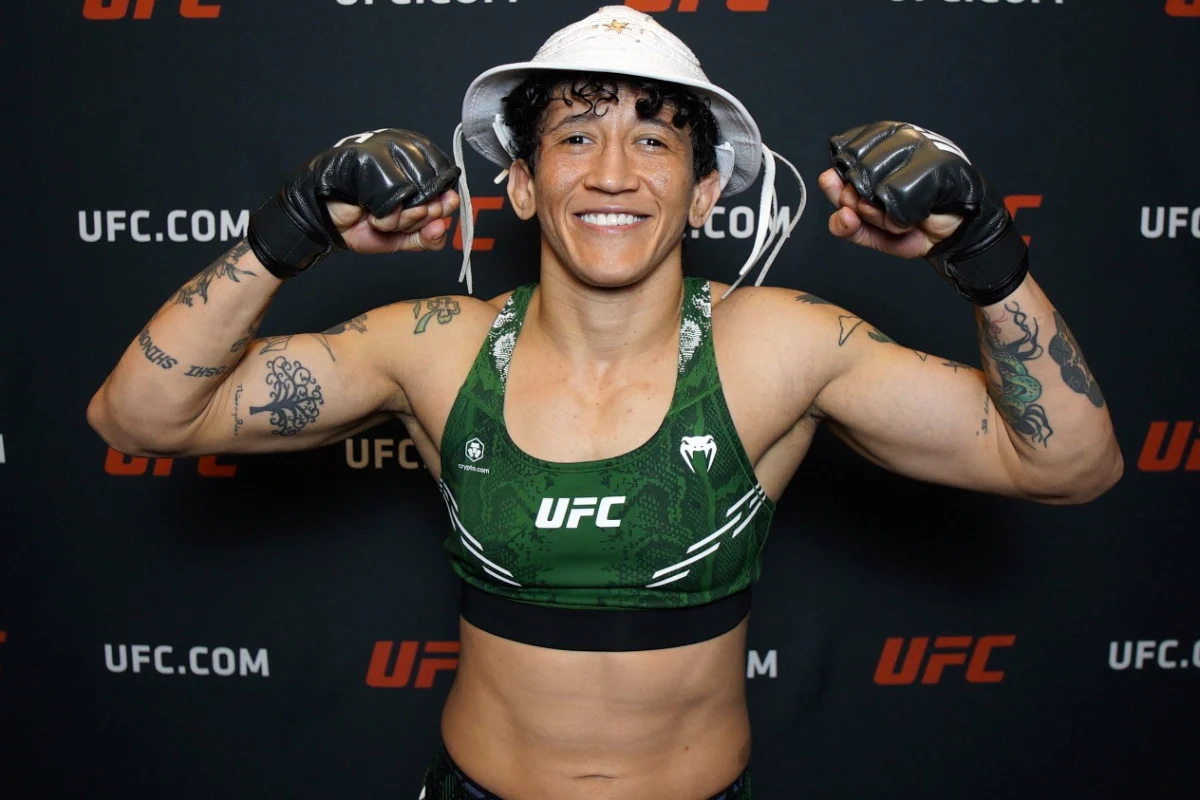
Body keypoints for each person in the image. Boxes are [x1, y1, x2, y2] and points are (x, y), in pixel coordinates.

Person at [87, 6, 1122, 799]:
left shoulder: (777, 346)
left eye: (655, 140)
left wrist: (985, 252)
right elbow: (139, 417)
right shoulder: (439, 347)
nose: (614, 173)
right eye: (576, 137)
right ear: (522, 183)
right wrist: (291, 228)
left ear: (706, 191)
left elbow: (1071, 464)